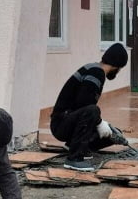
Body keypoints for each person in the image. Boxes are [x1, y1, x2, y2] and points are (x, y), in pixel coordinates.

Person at [50, 43, 129, 171]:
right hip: (60, 124)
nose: (118, 71)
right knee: (93, 111)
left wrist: (106, 127)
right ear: (116, 65)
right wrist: (99, 122)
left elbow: (82, 107)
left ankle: (73, 145)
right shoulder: (96, 72)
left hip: (67, 121)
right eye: (120, 68)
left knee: (113, 134)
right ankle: (74, 159)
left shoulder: (94, 69)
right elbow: (85, 105)